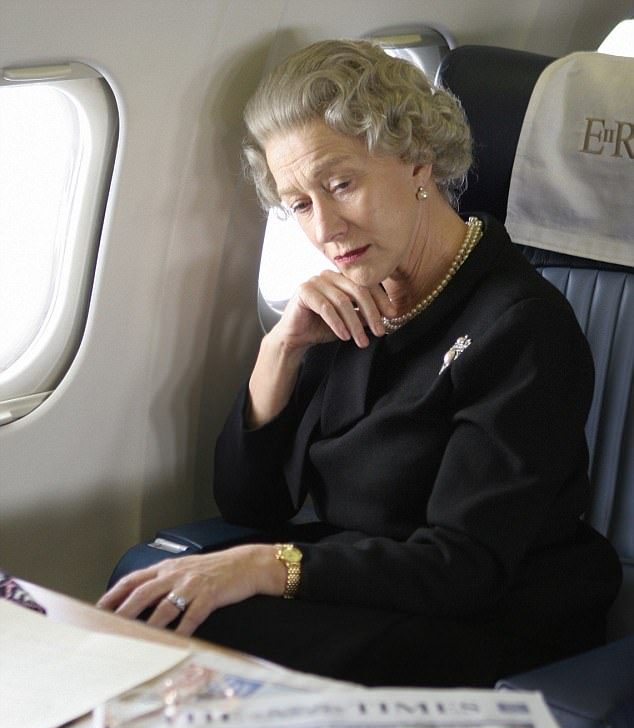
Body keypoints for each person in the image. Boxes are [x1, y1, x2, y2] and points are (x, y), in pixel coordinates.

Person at [98, 39, 621, 687]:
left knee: (188, 624)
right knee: (151, 589)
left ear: (418, 160)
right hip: (367, 584)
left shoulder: (522, 327)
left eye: (341, 184)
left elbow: (464, 566)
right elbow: (250, 504)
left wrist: (266, 567)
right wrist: (281, 348)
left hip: (487, 614)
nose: (325, 229)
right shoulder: (350, 300)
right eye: (299, 203)